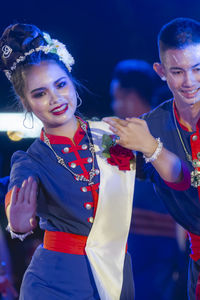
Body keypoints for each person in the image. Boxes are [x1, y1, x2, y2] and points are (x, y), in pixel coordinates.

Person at [0, 23, 186, 300]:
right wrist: (18, 223)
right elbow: (18, 196)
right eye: (39, 93)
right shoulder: (30, 159)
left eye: (60, 84)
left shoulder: (113, 136)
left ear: (71, 82)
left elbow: (180, 179)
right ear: (27, 103)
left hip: (115, 277)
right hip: (54, 284)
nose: (55, 98)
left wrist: (150, 146)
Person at [104, 17, 200, 300]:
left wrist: (153, 149)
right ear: (161, 71)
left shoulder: (147, 136)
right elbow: (93, 163)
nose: (190, 81)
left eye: (197, 69)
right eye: (178, 71)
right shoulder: (151, 126)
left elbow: (187, 183)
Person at [110, 59, 188, 300]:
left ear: (131, 97)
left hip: (154, 265)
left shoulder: (162, 140)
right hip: (148, 266)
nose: (115, 106)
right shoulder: (168, 135)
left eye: (117, 97)